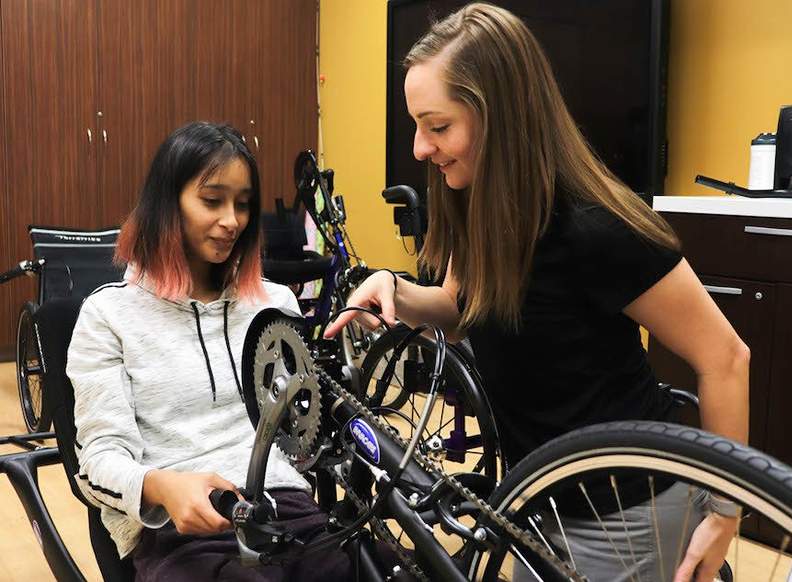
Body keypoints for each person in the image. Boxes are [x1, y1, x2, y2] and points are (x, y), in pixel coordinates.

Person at [325, 4, 749, 582]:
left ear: (499, 117)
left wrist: (725, 514)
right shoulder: (478, 202)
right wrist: (394, 290)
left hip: (625, 512)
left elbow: (725, 358)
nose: (421, 148)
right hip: (537, 498)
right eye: (417, 126)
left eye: (438, 126)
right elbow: (457, 308)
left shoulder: (593, 226)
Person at [67, 122, 352, 581]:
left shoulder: (274, 304)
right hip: (182, 530)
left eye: (243, 204)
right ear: (167, 204)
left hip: (288, 508)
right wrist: (162, 486)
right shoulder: (109, 316)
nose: (232, 221)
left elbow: (304, 423)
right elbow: (98, 463)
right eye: (212, 200)